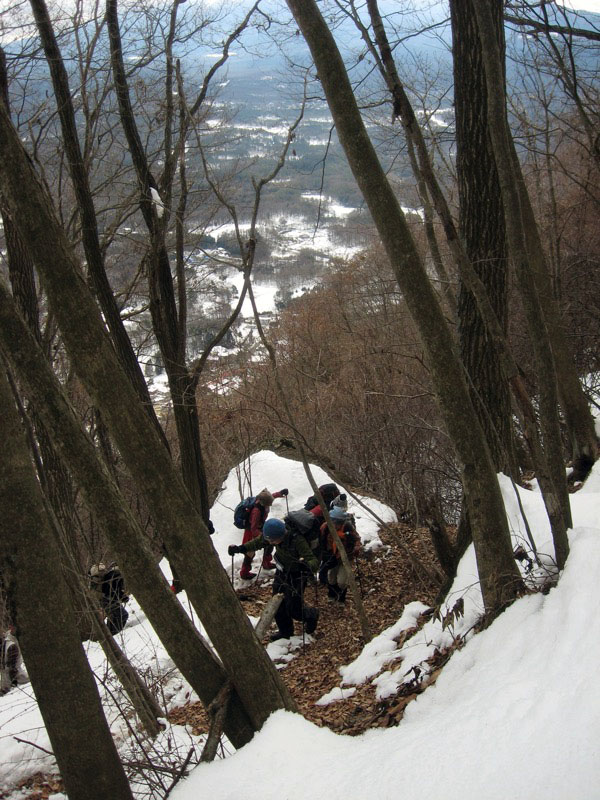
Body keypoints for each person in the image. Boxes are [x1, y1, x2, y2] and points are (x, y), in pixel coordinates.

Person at [229, 517, 320, 640]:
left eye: (273, 541)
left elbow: (313, 560)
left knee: (294, 608)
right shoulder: (271, 536)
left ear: (281, 536)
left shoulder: (297, 540)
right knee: (277, 603)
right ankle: (285, 631)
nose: (270, 543)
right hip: (281, 572)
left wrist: (307, 566)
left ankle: (311, 616)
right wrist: (241, 548)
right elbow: (258, 542)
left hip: (297, 575)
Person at [239, 488, 288, 579]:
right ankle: (244, 573)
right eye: (268, 504)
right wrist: (264, 537)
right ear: (263, 503)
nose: (270, 505)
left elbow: (271, 496)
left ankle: (266, 562)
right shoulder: (256, 511)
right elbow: (253, 528)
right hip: (251, 532)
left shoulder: (264, 500)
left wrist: (280, 493)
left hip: (261, 527)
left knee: (270, 544)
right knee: (249, 552)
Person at [318, 506, 361, 604]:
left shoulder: (347, 527)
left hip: (346, 557)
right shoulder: (325, 527)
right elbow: (320, 542)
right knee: (331, 578)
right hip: (331, 557)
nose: (336, 525)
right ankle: (332, 595)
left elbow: (357, 538)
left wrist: (356, 548)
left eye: (339, 523)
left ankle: (341, 598)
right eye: (335, 522)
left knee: (342, 581)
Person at [89, 562, 129, 634]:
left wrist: (122, 596)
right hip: (104, 598)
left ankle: (109, 634)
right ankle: (110, 634)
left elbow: (113, 590)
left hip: (105, 598)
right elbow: (112, 590)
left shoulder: (111, 576)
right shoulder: (113, 576)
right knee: (121, 615)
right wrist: (122, 596)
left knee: (118, 616)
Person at [0, 626, 22, 696]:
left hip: (17, 683)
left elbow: (12, 669)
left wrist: (12, 682)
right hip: (7, 685)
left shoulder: (10, 645)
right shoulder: (3, 645)